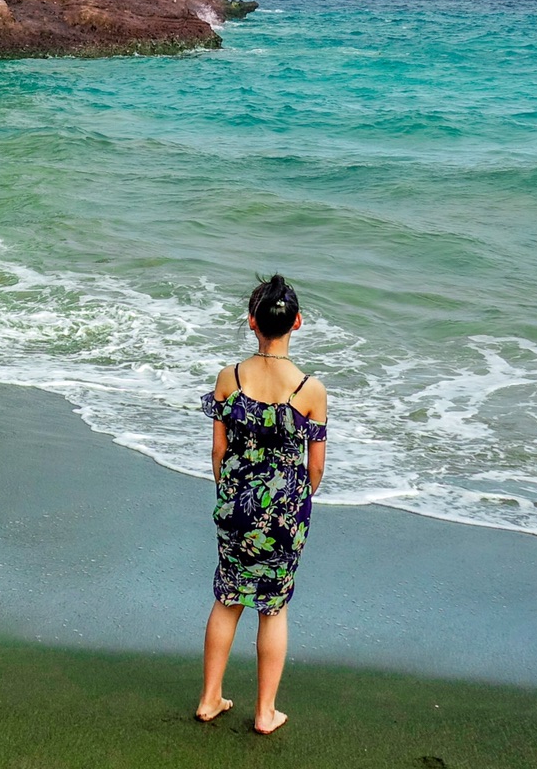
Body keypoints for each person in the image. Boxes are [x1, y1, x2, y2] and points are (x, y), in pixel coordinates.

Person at [195, 274, 327, 735]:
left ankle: (210, 698)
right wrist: (295, 504)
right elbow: (315, 469)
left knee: (227, 597)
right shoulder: (310, 390)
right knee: (273, 607)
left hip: (235, 504)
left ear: (252, 323)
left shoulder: (228, 379)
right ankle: (264, 711)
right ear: (298, 323)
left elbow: (217, 452)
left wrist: (229, 493)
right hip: (285, 512)